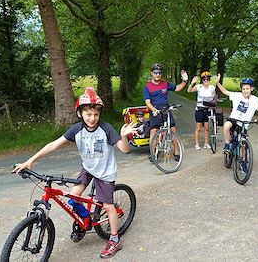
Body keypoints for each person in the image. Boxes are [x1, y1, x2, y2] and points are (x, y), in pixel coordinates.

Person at [13, 87, 137, 259]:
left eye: (96, 114)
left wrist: (124, 136)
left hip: (105, 172)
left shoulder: (106, 128)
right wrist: (30, 160)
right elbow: (54, 144)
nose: (92, 118)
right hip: (88, 168)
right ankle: (87, 219)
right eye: (88, 114)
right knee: (72, 198)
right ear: (80, 114)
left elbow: (124, 150)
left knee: (108, 206)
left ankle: (115, 239)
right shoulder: (76, 129)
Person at [143, 63, 188, 162]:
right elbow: (147, 102)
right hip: (155, 110)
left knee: (172, 130)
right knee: (153, 132)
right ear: (152, 73)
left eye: (159, 73)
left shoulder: (165, 84)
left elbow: (177, 88)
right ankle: (152, 153)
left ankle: (176, 152)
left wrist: (185, 80)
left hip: (166, 109)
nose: (157, 75)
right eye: (155, 72)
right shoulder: (147, 87)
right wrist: (154, 110)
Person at [215, 74, 258, 152]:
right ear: (241, 89)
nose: (245, 91)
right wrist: (217, 83)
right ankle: (226, 144)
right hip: (234, 119)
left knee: (243, 144)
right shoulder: (237, 96)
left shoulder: (255, 99)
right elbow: (225, 91)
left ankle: (243, 161)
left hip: (244, 124)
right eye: (243, 89)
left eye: (247, 89)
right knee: (226, 126)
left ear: (251, 89)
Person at [187, 70, 216, 150]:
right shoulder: (198, 87)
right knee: (198, 128)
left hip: (208, 109)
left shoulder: (212, 87)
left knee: (207, 128)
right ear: (202, 80)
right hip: (199, 109)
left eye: (207, 79)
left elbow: (214, 97)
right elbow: (188, 90)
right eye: (204, 79)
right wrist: (192, 83)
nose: (206, 81)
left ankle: (206, 143)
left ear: (209, 79)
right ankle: (197, 144)